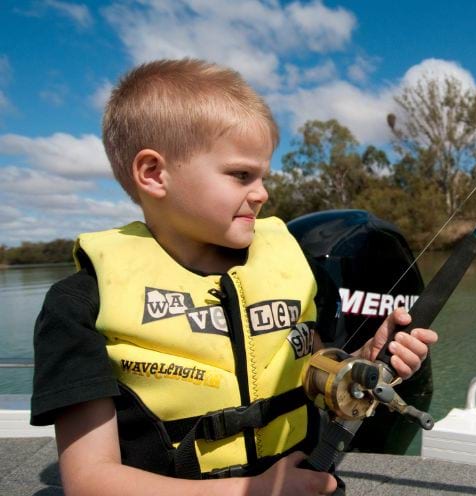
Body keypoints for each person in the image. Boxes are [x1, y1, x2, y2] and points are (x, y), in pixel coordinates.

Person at [29, 58, 438, 496]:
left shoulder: (290, 268)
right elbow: (90, 482)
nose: (262, 193)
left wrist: (361, 361)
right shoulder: (79, 305)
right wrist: (253, 491)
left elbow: (312, 372)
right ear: (153, 173)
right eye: (241, 175)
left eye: (262, 175)